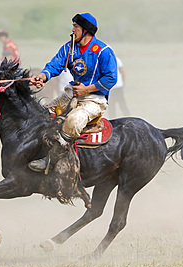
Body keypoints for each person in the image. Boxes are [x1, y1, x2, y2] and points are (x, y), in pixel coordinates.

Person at [29, 13, 117, 172]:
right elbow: (54, 65)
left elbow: (111, 78)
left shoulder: (103, 51)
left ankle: (51, 160)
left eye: (76, 26)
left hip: (94, 100)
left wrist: (87, 89)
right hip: (70, 95)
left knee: (73, 121)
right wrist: (42, 77)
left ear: (86, 30)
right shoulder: (68, 48)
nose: (73, 29)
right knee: (45, 115)